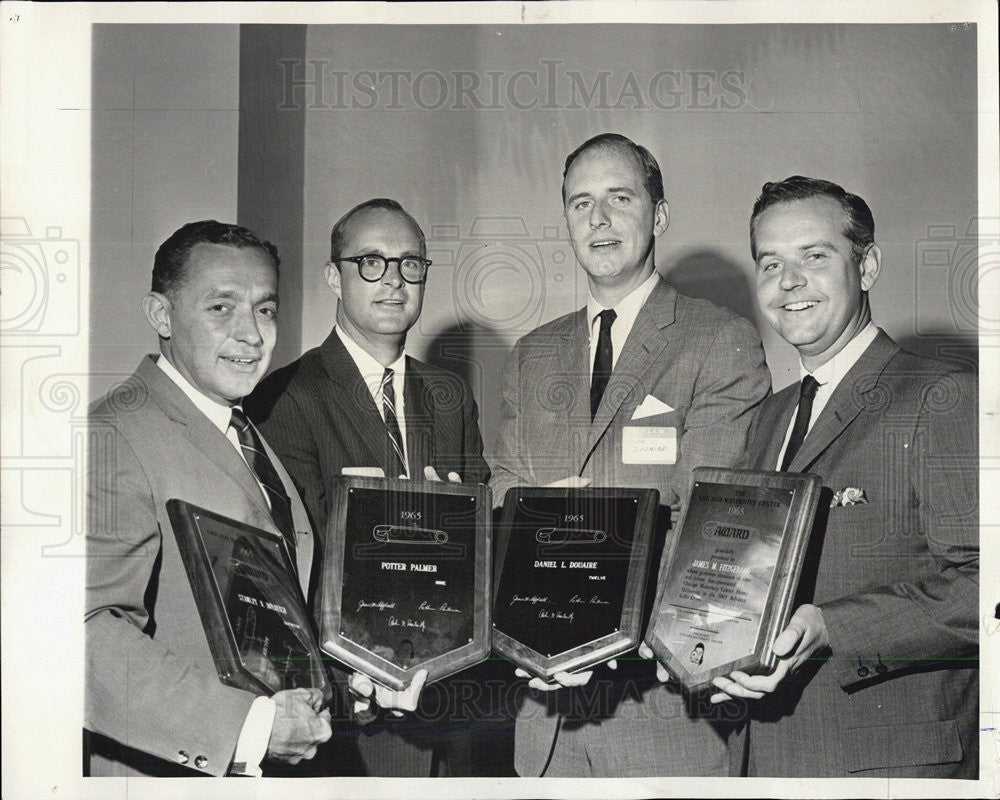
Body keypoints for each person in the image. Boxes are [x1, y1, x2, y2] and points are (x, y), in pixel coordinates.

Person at [489, 133, 771, 777]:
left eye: (620, 197)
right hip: (545, 722)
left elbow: (713, 530)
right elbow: (506, 493)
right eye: (580, 203)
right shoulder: (532, 354)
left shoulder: (719, 340)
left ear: (659, 215)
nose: (599, 219)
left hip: (663, 715)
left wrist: (592, 620)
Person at [709, 176, 978, 778]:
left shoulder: (942, 396)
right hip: (764, 759)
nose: (789, 282)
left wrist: (831, 625)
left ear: (868, 265)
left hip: (892, 766)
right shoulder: (770, 417)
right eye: (770, 262)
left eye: (815, 256)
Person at [246, 198, 490, 776]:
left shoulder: (449, 395)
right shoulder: (284, 397)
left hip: (448, 700)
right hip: (348, 714)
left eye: (411, 263)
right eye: (371, 262)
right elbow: (289, 570)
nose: (395, 280)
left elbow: (480, 541)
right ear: (334, 275)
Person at [84, 220, 333, 776]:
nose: (251, 334)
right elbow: (86, 635)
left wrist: (343, 682)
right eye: (221, 308)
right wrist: (251, 727)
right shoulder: (113, 434)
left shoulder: (244, 432)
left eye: (265, 310)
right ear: (161, 315)